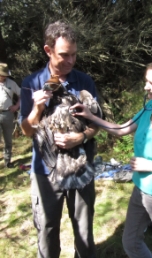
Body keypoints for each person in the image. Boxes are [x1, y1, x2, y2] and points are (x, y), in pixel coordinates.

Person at [72, 56, 152, 258]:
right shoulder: (150, 107)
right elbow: (122, 129)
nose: (146, 87)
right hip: (140, 190)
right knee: (131, 243)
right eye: (146, 81)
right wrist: (90, 116)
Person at [20, 21, 99, 258]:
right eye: (64, 55)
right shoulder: (31, 83)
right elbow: (26, 130)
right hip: (45, 171)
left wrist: (81, 137)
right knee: (46, 230)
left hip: (80, 168)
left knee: (84, 232)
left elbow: (97, 124)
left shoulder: (84, 82)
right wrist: (36, 108)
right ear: (48, 50)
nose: (71, 61)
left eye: (74, 55)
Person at [0, 63, 20, 168]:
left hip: (8, 114)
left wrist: (16, 106)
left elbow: (21, 95)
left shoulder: (11, 83)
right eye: (1, 74)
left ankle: (7, 162)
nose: (3, 76)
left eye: (4, 75)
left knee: (8, 139)